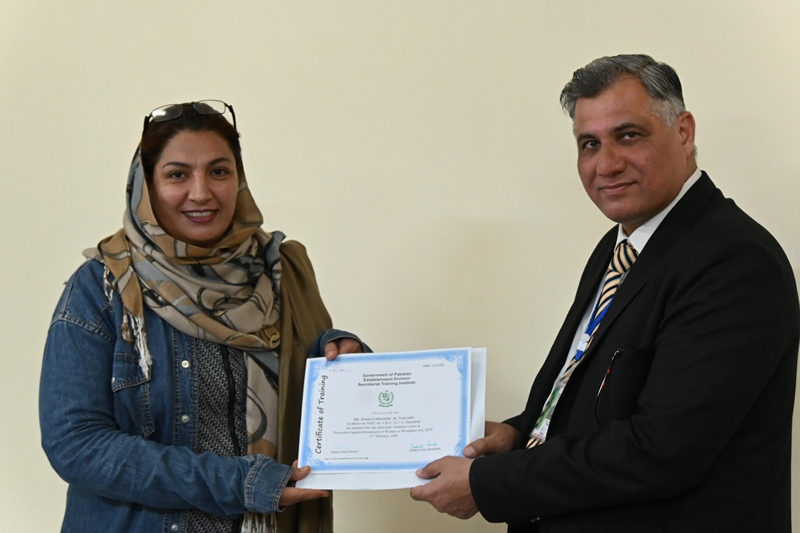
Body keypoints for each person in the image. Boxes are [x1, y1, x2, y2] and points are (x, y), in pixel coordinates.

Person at [410, 55, 799, 532]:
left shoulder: (734, 261)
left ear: (684, 132)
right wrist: (519, 435)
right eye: (589, 144)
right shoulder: (623, 245)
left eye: (628, 135)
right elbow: (602, 402)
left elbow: (661, 450)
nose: (607, 165)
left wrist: (489, 482)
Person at [39, 100, 365, 533]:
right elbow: (77, 444)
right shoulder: (102, 287)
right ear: (146, 185)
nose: (201, 193)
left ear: (239, 179)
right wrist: (240, 483)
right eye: (177, 175)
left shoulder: (281, 272)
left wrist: (341, 355)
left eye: (219, 171)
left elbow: (315, 407)